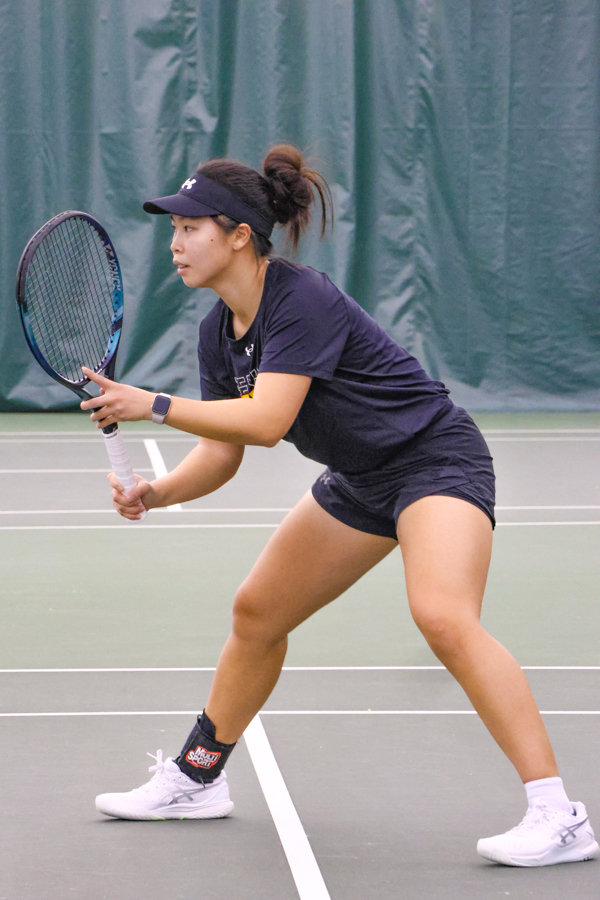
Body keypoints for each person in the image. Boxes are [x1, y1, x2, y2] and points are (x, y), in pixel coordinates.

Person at [84, 145, 597, 867]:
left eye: (191, 227)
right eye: (172, 229)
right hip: (360, 478)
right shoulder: (217, 333)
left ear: (238, 234)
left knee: (443, 615)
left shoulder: (301, 298)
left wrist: (155, 405)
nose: (175, 243)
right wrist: (157, 491)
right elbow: (224, 454)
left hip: (433, 459)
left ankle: (559, 814)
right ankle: (197, 778)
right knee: (257, 612)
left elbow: (264, 422)